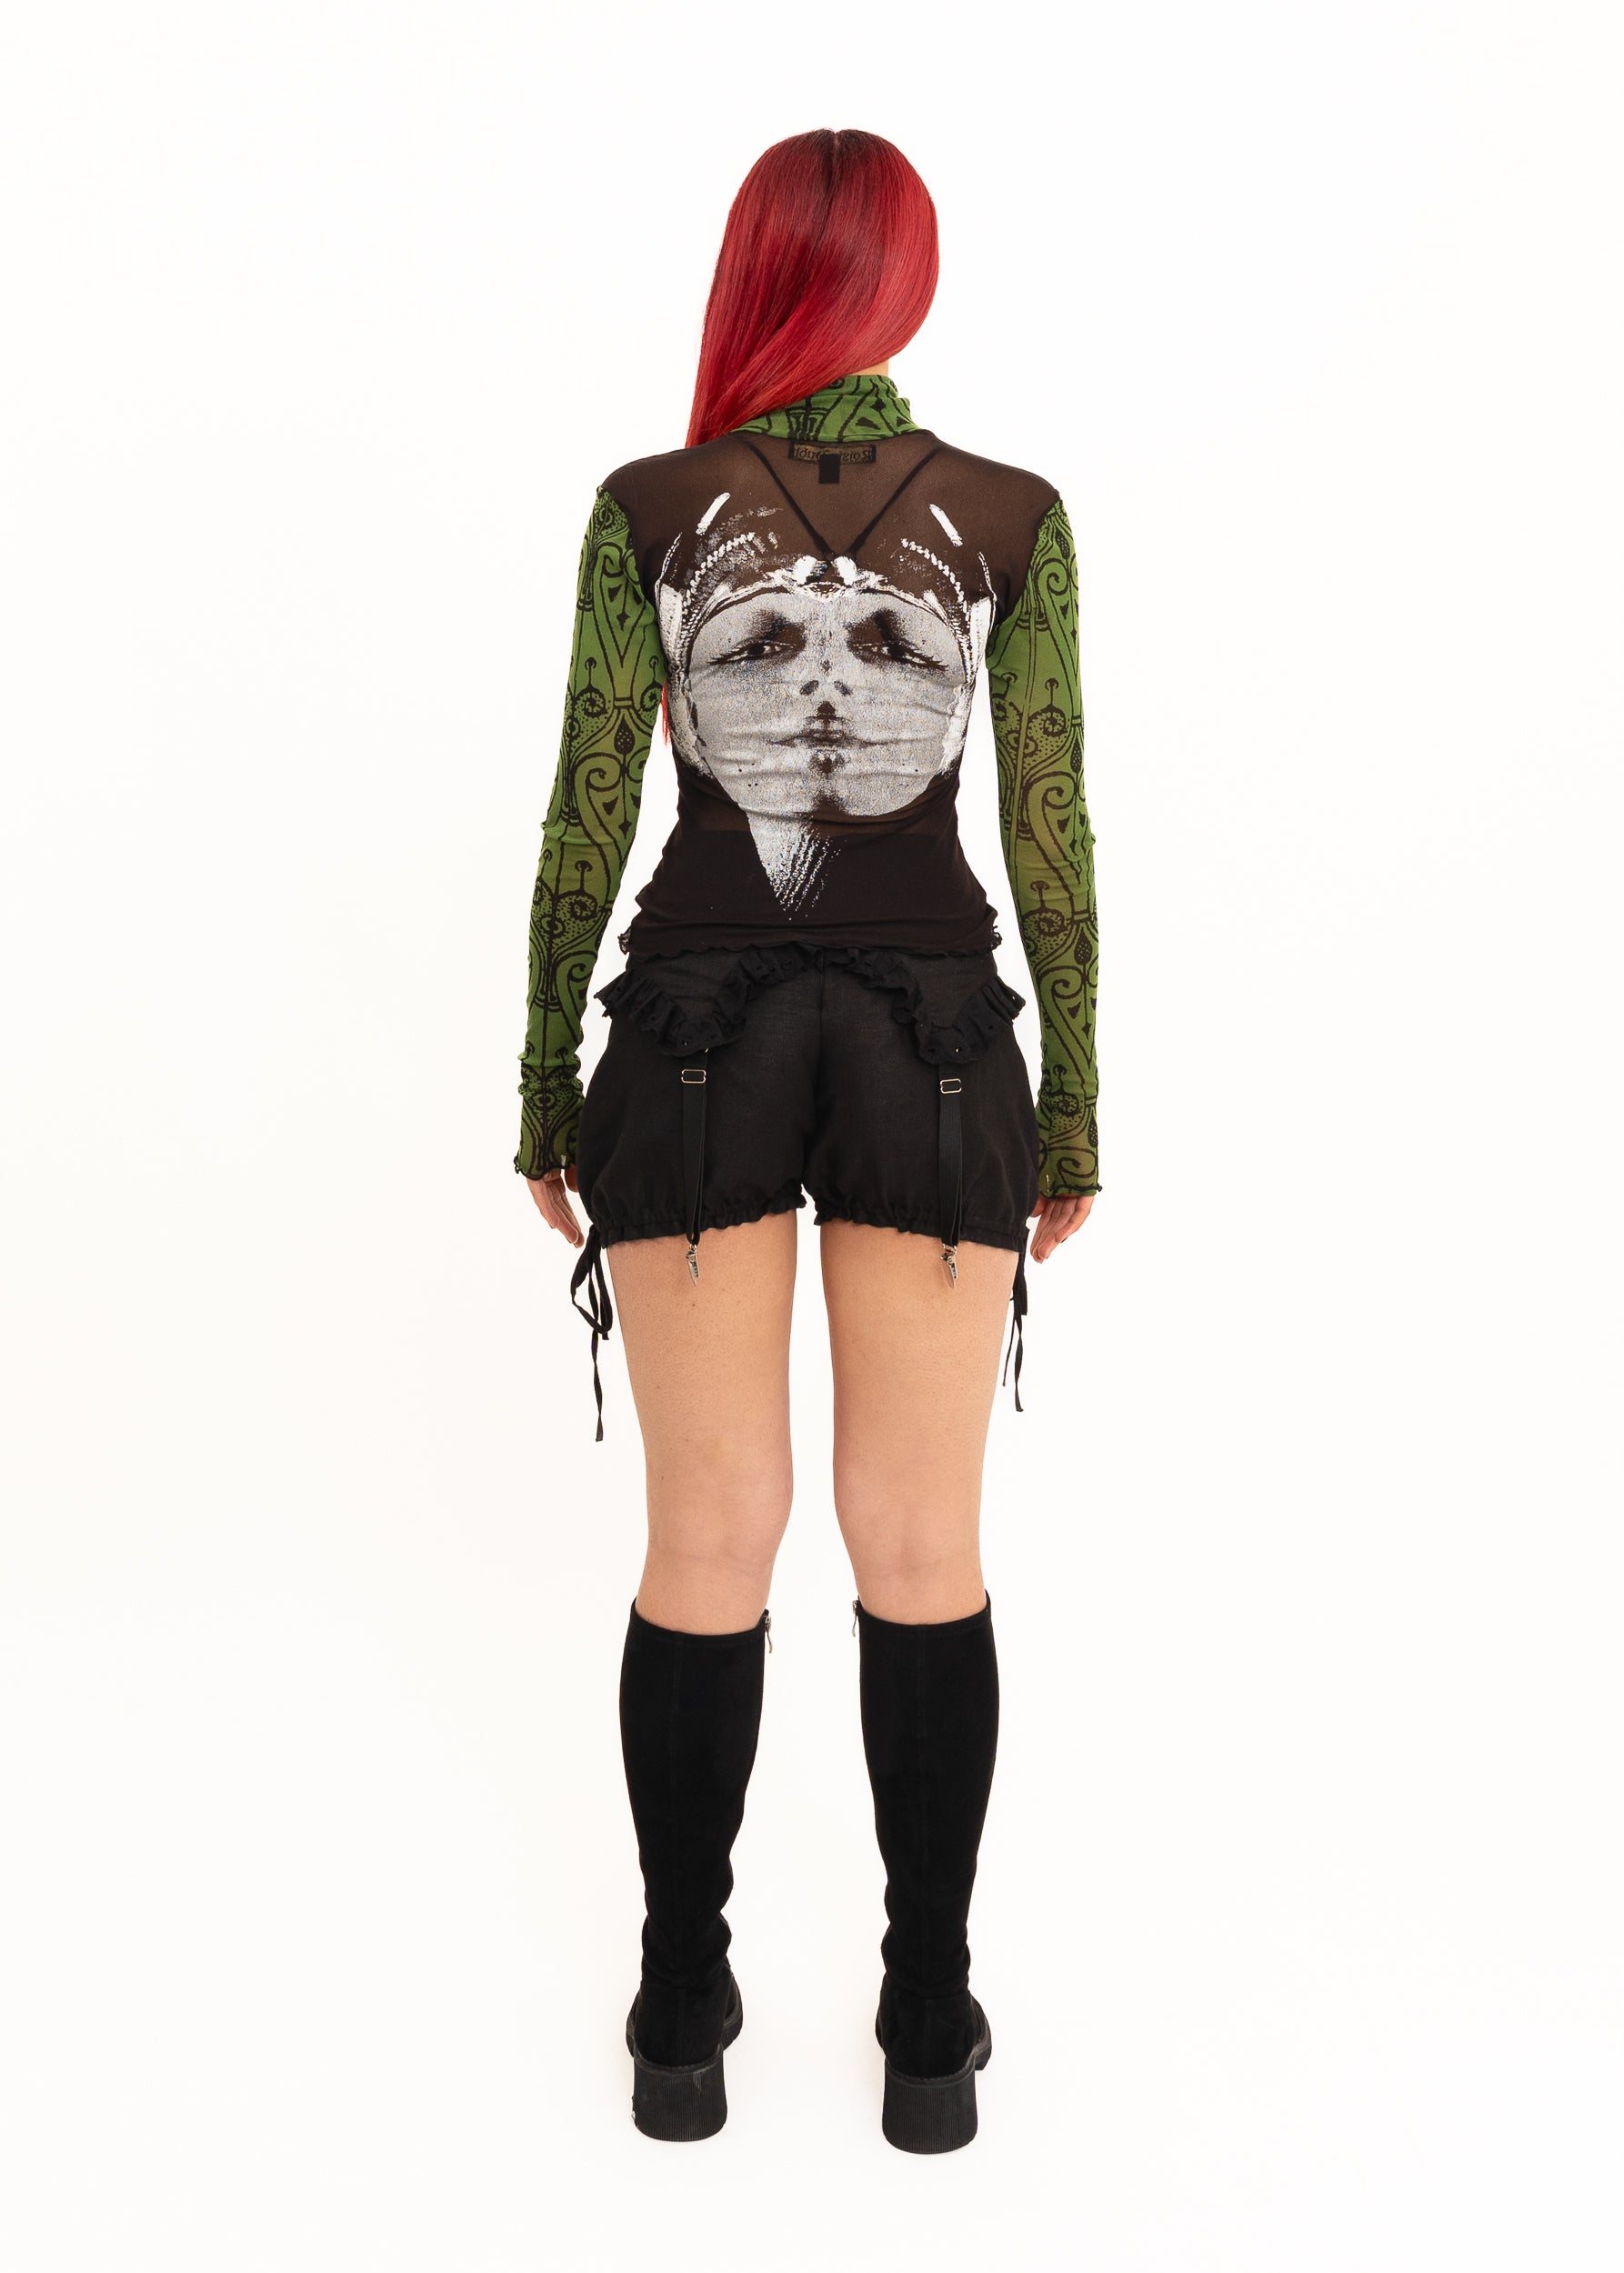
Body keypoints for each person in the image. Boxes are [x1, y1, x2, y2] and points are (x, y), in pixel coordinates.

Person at [515, 128, 1099, 2152]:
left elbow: (584, 807)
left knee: (704, 1540)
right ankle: (927, 2018)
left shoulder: (649, 508)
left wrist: (537, 1079)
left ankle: (681, 2001)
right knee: (920, 1546)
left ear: (756, 274)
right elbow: (1049, 828)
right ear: (901, 285)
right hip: (937, 1042)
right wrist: (1076, 1104)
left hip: (693, 1035)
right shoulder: (1011, 515)